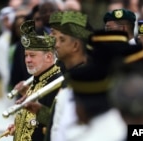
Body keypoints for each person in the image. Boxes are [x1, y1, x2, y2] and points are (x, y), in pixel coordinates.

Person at [7, 20, 63, 141]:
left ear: (48, 57)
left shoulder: (57, 82)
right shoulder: (35, 80)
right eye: (26, 55)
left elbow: (59, 121)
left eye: (32, 56)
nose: (27, 60)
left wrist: (39, 110)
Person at [47, 11, 93, 141]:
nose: (56, 44)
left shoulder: (85, 81)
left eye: (62, 40)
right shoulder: (69, 76)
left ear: (75, 45)